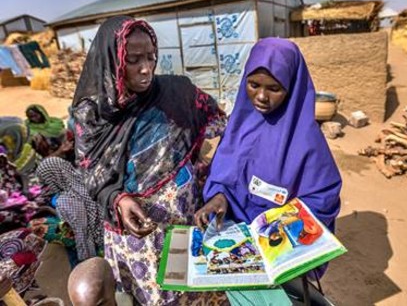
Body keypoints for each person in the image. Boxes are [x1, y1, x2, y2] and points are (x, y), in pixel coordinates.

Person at [72, 16, 227, 305]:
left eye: (151, 57)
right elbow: (89, 172)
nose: (146, 69)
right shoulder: (92, 113)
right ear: (113, 59)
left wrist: (212, 175)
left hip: (185, 220)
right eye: (133, 60)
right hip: (137, 238)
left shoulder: (177, 92)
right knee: (153, 297)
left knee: (195, 292)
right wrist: (117, 199)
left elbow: (223, 128)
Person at [195, 37, 342, 278]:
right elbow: (224, 174)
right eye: (253, 85)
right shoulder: (237, 127)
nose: (261, 96)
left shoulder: (305, 141)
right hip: (235, 246)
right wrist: (219, 196)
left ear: (291, 88)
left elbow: (323, 196)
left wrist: (278, 225)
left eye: (274, 88)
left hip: (277, 252)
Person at [36, 157, 103, 262]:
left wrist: (85, 260)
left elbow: (81, 233)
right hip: (109, 232)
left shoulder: (64, 200)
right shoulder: (87, 178)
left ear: (53, 178)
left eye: (45, 181)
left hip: (98, 247)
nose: (46, 186)